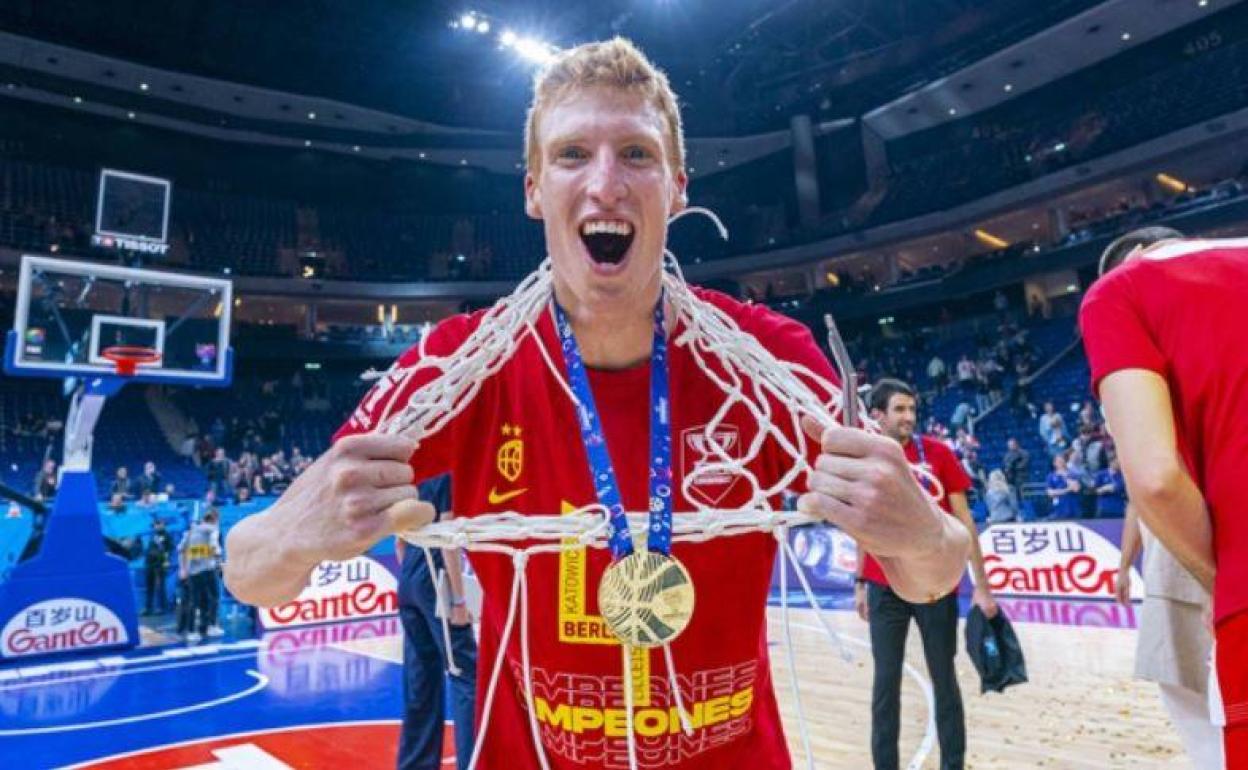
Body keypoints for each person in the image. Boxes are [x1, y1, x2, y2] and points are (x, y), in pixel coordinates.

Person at [224, 38, 970, 769]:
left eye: (637, 155)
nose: (605, 184)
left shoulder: (766, 358)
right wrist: (292, 535)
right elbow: (248, 572)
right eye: (573, 154)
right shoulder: (460, 362)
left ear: (678, 187)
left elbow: (931, 576)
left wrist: (919, 535)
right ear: (532, 188)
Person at [1080, 226, 1243, 765]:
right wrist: (1126, 564)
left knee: (1203, 728)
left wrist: (1221, 581)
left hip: (1211, 558)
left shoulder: (1125, 294)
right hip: (1174, 549)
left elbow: (1151, 477)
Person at [854, 378, 997, 770]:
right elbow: (862, 522)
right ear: (877, 415)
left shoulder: (938, 454)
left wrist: (982, 587)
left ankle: (953, 764)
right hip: (884, 587)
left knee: (943, 679)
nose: (908, 417)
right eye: (899, 410)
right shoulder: (869, 457)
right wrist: (860, 580)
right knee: (885, 686)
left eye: (912, 410)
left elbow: (964, 520)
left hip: (935, 584)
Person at [1116, 504, 1219, 768]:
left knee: (1192, 703)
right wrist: (1124, 565)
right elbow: (1137, 501)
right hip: (1180, 575)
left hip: (1182, 576)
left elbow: (1152, 489)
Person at [396, 474, 478, 770]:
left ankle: (415, 764)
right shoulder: (450, 473)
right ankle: (472, 762)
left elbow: (400, 540)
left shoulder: (415, 474)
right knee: (465, 673)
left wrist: (409, 579)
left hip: (408, 578)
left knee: (420, 679)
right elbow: (448, 539)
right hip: (434, 577)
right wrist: (458, 600)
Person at [178, 507, 222, 643]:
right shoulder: (213, 529)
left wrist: (183, 569)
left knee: (194, 601)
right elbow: (214, 547)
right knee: (213, 598)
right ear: (215, 519)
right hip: (208, 570)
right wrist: (219, 558)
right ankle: (211, 626)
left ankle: (192, 631)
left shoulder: (190, 531)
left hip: (193, 571)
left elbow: (180, 549)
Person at [143, 518, 175, 615]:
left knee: (160, 587)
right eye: (156, 524)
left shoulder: (167, 536)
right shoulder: (152, 535)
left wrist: (166, 561)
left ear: (163, 525)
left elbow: (170, 550)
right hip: (149, 564)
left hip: (159, 565)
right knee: (149, 587)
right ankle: (148, 608)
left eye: (159, 524)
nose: (157, 526)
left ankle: (161, 608)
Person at [1044, 455, 1079, 520]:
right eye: (1058, 461)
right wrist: (1067, 490)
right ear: (1054, 463)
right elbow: (1050, 493)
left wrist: (1065, 477)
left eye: (1062, 461)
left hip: (1072, 507)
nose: (1061, 463)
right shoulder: (1051, 476)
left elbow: (1076, 489)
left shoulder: (1072, 474)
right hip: (1058, 508)